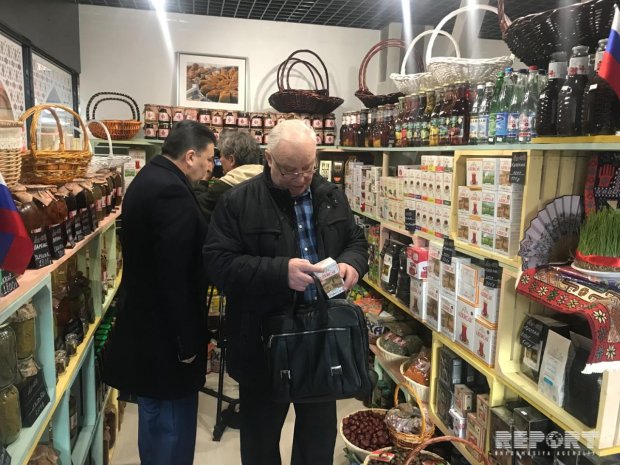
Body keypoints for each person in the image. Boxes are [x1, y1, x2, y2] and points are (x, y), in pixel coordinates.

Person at [203, 119, 369, 465]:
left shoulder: (331, 195)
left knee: (317, 444)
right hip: (263, 345)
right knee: (261, 444)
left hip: (323, 339)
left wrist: (351, 264)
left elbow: (355, 241)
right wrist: (280, 273)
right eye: (289, 170)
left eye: (307, 168)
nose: (300, 178)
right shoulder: (238, 201)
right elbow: (218, 264)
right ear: (269, 159)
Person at [103, 120, 216, 465]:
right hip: (166, 338)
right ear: (190, 156)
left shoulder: (149, 177)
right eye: (209, 159)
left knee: (154, 420)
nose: (211, 167)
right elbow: (175, 274)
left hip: (148, 329)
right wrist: (187, 342)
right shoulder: (171, 191)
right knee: (172, 427)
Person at [194, 130, 263, 223]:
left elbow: (196, 206)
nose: (220, 160)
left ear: (231, 160)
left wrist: (204, 181)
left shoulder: (224, 187)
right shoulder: (266, 180)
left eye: (221, 156)